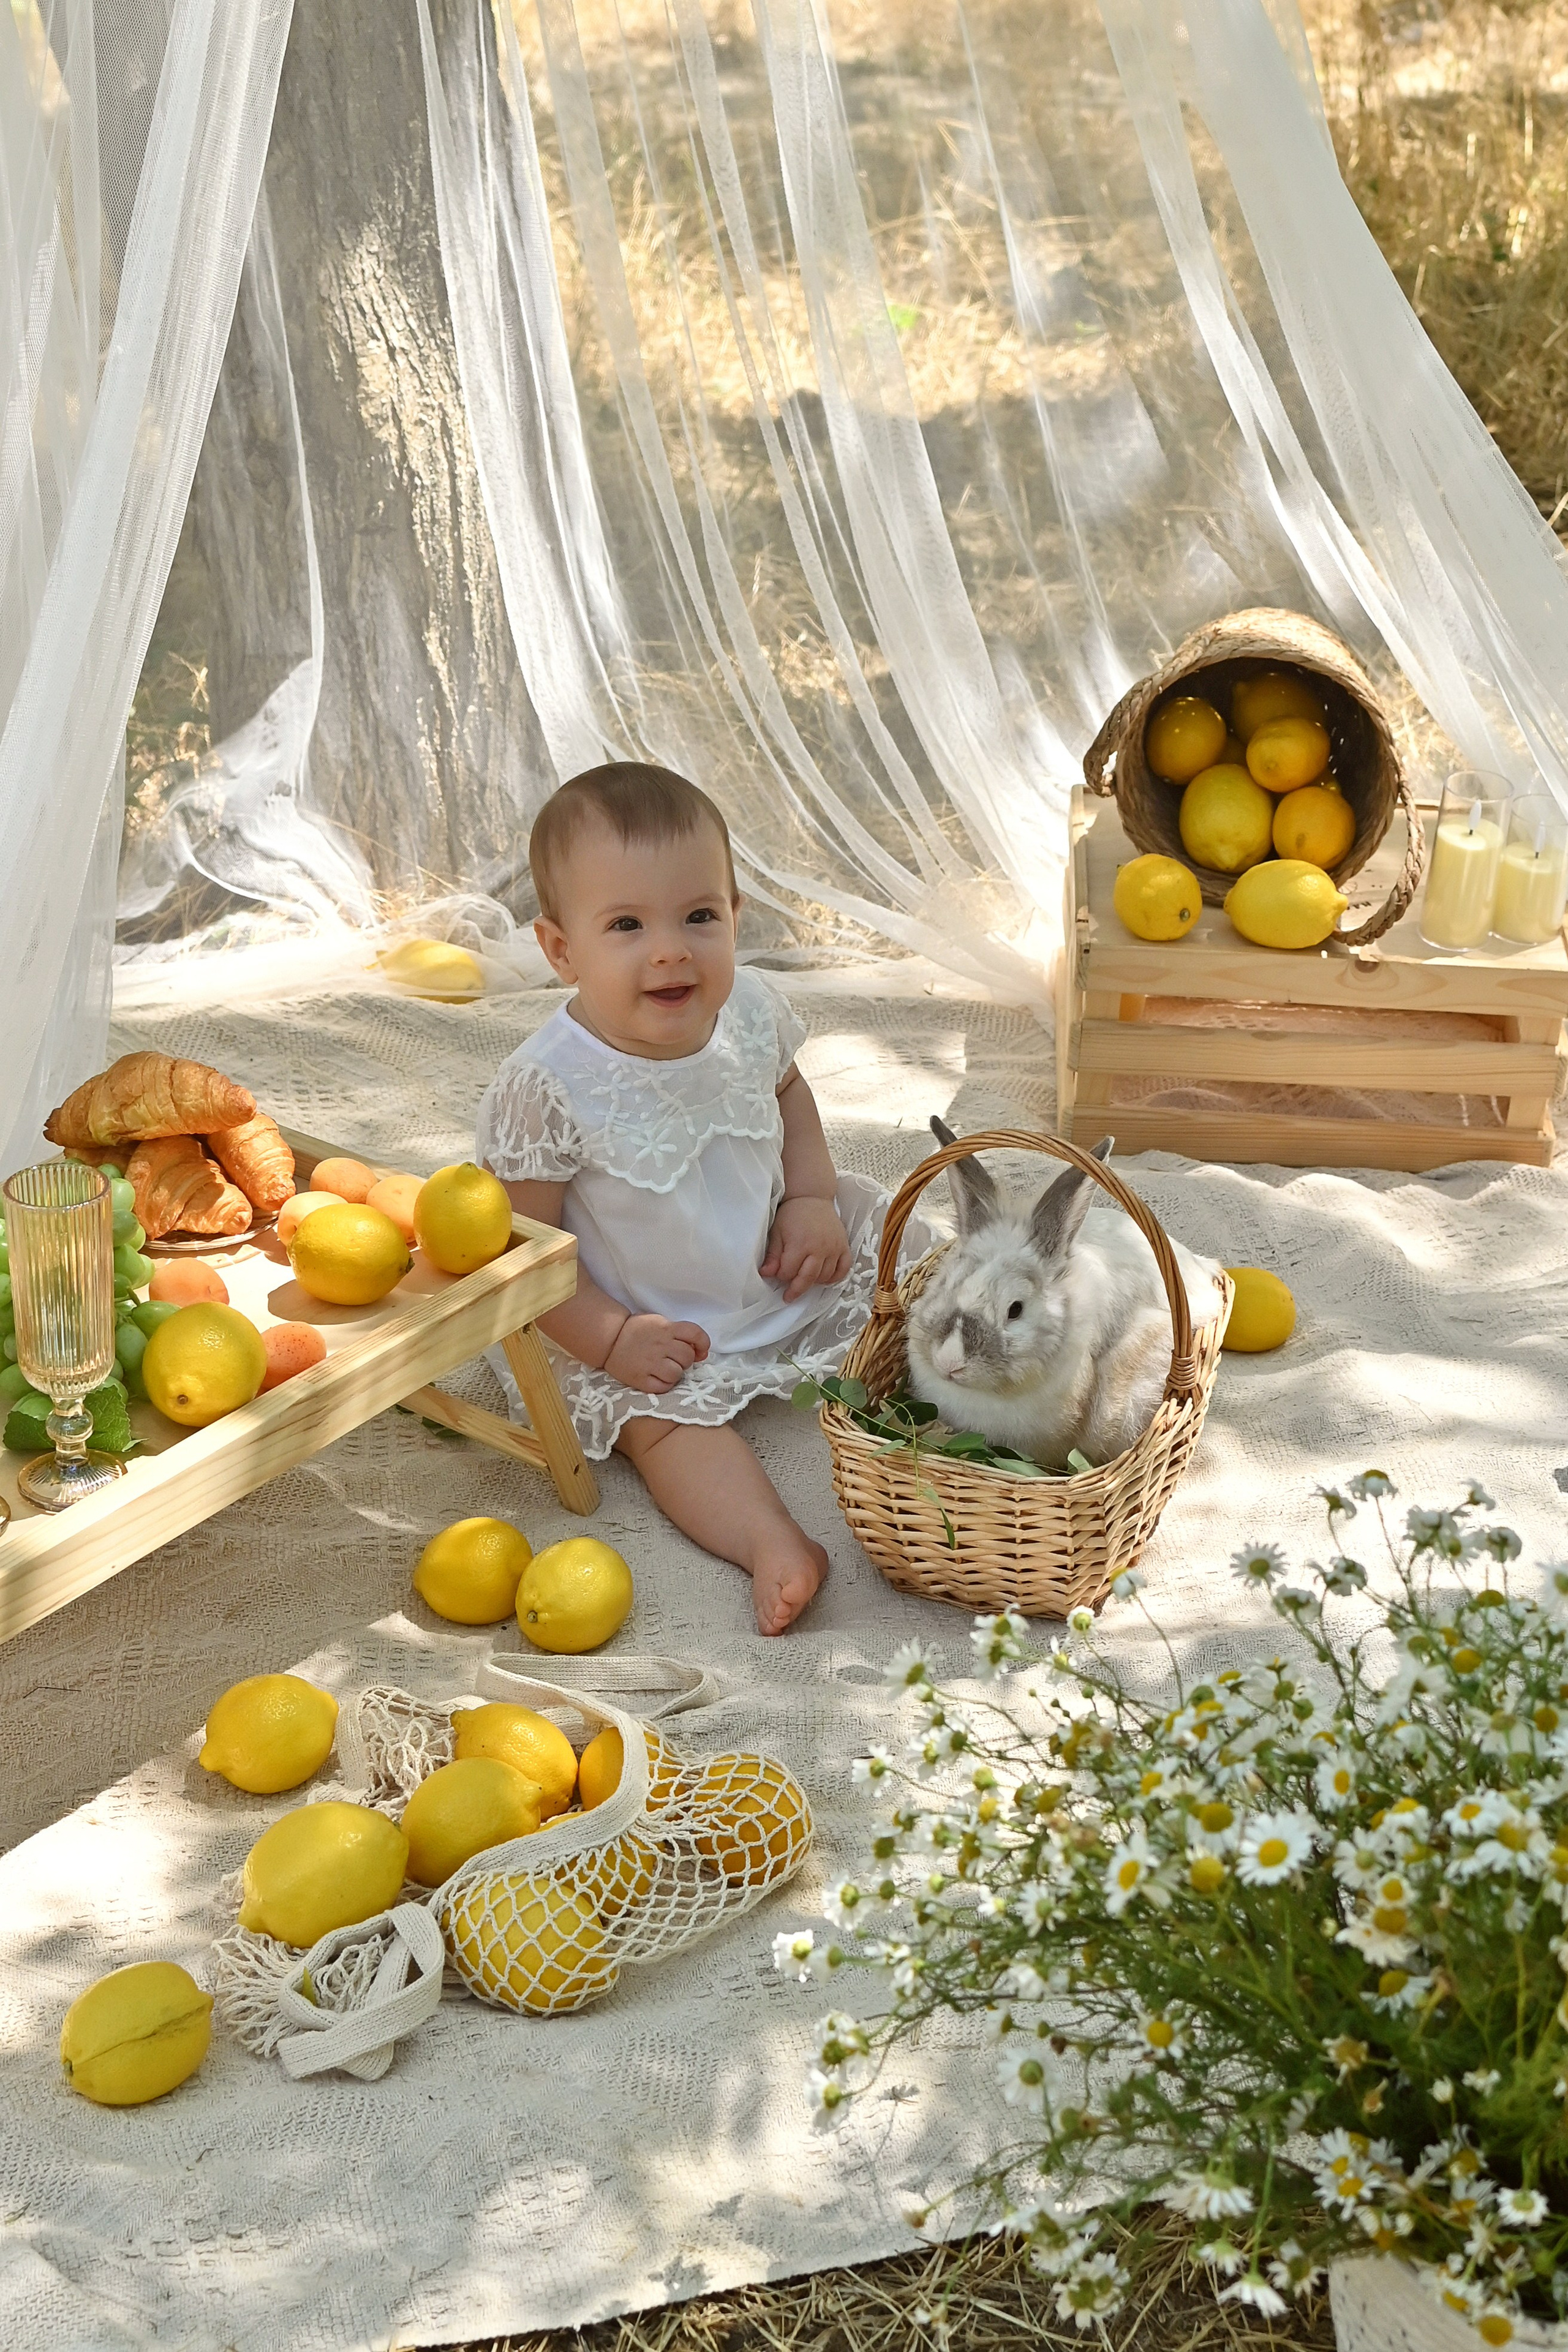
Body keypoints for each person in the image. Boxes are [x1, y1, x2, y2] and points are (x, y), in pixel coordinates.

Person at [477, 761, 900, 1635]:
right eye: (626, 924)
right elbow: (525, 1249)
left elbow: (787, 1095)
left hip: (770, 1263)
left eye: (700, 916)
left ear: (737, 916)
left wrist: (811, 1200)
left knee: (905, 1264)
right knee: (662, 1430)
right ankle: (771, 1540)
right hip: (647, 1321)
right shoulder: (548, 1087)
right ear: (562, 950)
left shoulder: (748, 1011)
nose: (672, 949)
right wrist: (611, 1337)